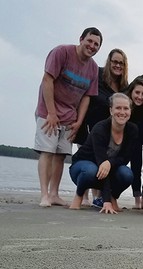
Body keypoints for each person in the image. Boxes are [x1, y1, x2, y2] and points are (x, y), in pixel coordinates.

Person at [34, 27, 102, 207]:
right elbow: (47, 80)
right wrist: (52, 113)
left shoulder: (93, 68)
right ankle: (44, 195)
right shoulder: (62, 52)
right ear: (81, 39)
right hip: (48, 112)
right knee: (47, 151)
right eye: (90, 41)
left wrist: (79, 122)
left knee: (61, 155)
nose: (92, 46)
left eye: (96, 44)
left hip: (70, 116)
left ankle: (55, 193)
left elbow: (87, 97)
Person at [74, 48, 129, 206]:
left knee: (103, 163)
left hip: (110, 132)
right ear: (109, 62)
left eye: (121, 63)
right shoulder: (97, 75)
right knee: (88, 161)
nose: (118, 65)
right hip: (91, 127)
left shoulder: (123, 86)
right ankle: (82, 196)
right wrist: (79, 123)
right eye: (115, 62)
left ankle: (99, 197)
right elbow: (85, 96)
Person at [69, 93, 137, 213]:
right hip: (83, 168)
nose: (122, 112)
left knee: (126, 174)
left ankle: (113, 196)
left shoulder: (132, 130)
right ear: (111, 110)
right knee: (92, 170)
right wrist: (106, 202)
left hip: (106, 168)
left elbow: (124, 159)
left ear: (130, 111)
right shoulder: (100, 129)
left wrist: (110, 163)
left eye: (126, 108)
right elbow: (101, 164)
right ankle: (79, 194)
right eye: (118, 108)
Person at [126, 77, 143, 210]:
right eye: (137, 93)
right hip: (133, 138)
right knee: (135, 165)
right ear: (131, 92)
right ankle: (137, 199)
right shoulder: (126, 109)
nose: (140, 97)